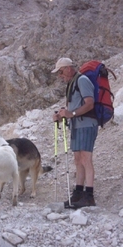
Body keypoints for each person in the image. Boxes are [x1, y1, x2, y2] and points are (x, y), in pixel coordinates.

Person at [51, 57, 98, 208]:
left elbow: (90, 103)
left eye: (60, 72)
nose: (60, 76)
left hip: (86, 124)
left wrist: (72, 114)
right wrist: (62, 115)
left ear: (68, 68)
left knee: (85, 158)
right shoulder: (72, 83)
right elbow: (73, 108)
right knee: (78, 159)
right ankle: (78, 194)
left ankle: (89, 196)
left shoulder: (82, 80)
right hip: (77, 125)